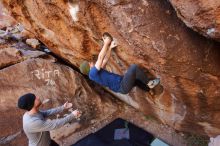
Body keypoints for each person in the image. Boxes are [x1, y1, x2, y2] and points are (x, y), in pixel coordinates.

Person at [80, 32, 160, 94]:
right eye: (89, 63)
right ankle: (149, 83)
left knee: (136, 80)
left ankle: (148, 89)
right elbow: (100, 57)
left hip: (122, 84)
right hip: (122, 86)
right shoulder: (92, 74)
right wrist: (106, 43)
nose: (91, 62)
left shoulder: (96, 73)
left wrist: (110, 48)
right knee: (133, 68)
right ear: (88, 67)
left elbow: (105, 60)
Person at [17, 93, 81, 146]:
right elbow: (55, 124)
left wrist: (63, 107)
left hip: (47, 142)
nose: (38, 98)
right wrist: (72, 115)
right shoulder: (32, 122)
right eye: (35, 98)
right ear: (31, 103)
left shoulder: (31, 113)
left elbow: (47, 112)